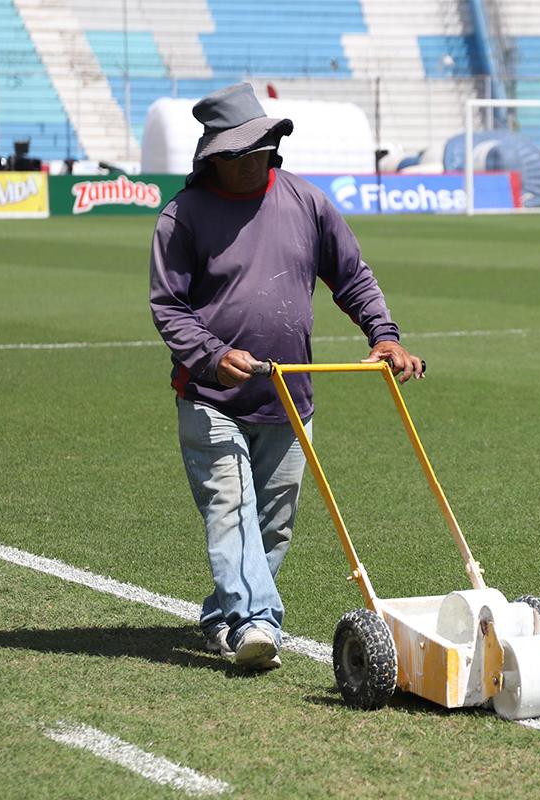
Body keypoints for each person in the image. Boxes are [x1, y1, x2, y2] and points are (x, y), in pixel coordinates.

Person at [149, 83, 423, 670]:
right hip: (210, 397)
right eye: (236, 151)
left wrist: (385, 336)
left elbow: (351, 277)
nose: (250, 158)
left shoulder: (308, 203)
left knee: (271, 529)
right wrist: (212, 354)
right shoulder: (183, 216)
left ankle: (225, 619)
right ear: (214, 157)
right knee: (231, 512)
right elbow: (168, 306)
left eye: (258, 146)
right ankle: (257, 623)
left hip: (288, 399)